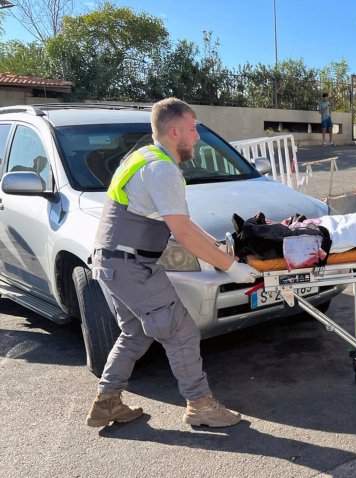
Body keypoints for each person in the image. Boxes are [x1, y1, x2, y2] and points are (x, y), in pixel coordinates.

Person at [86, 98, 259, 429]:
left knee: (135, 332)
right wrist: (231, 267)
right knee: (181, 331)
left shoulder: (143, 157)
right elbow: (180, 231)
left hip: (112, 262)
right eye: (193, 130)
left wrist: (220, 249)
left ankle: (106, 402)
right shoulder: (163, 169)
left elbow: (184, 225)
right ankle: (200, 404)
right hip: (131, 265)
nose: (197, 137)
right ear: (175, 131)